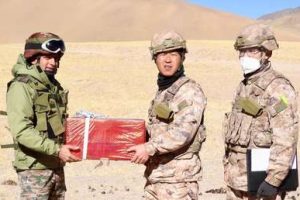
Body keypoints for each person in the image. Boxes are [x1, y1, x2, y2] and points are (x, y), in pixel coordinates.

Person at [128, 30, 207, 200]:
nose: (168, 60)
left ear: (182, 57)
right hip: (156, 177)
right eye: (162, 54)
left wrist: (148, 148)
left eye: (173, 54)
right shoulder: (164, 91)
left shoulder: (189, 90)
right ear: (154, 58)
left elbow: (183, 132)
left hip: (178, 181)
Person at [223, 24, 298, 200]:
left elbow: (286, 137)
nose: (244, 57)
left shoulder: (278, 88)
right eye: (242, 51)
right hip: (236, 182)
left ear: (267, 53)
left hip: (262, 185)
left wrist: (273, 180)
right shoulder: (243, 86)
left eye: (252, 51)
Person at [6, 32, 80, 199]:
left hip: (55, 166)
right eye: (48, 57)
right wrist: (57, 149)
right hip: (34, 170)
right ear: (34, 58)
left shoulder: (52, 87)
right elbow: (22, 131)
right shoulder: (21, 87)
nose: (54, 63)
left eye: (56, 58)